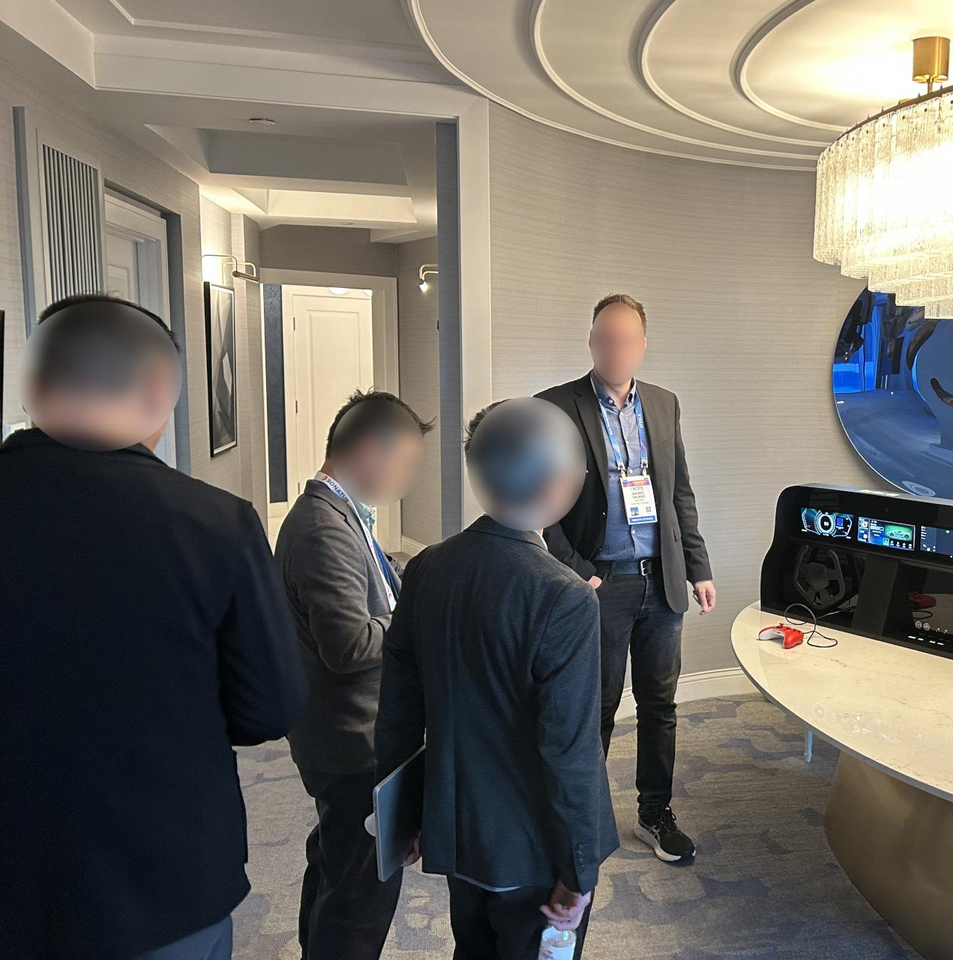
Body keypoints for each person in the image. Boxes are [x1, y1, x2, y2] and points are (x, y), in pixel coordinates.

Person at [0, 294, 307, 960]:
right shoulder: (215, 522)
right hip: (163, 876)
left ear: (33, 386)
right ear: (157, 394)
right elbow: (269, 707)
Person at [374, 397, 618, 960]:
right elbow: (569, 751)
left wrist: (403, 816)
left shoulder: (427, 566)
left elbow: (400, 708)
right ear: (560, 482)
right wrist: (578, 870)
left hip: (456, 828)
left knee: (474, 945)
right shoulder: (563, 596)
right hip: (532, 848)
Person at [537, 293, 714, 864]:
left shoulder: (663, 404)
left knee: (660, 705)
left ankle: (654, 814)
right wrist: (577, 569)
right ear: (593, 342)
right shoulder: (556, 406)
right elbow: (542, 499)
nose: (617, 349)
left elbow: (678, 491)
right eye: (606, 339)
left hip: (660, 580)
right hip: (600, 583)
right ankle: (581, 821)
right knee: (597, 708)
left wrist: (696, 567)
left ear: (642, 346)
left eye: (627, 340)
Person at [275, 389, 431, 960]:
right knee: (362, 896)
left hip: (343, 732)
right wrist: (414, 615)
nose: (408, 480)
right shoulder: (323, 527)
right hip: (351, 739)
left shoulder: (342, 512)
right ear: (368, 450)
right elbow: (349, 645)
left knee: (336, 862)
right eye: (405, 463)